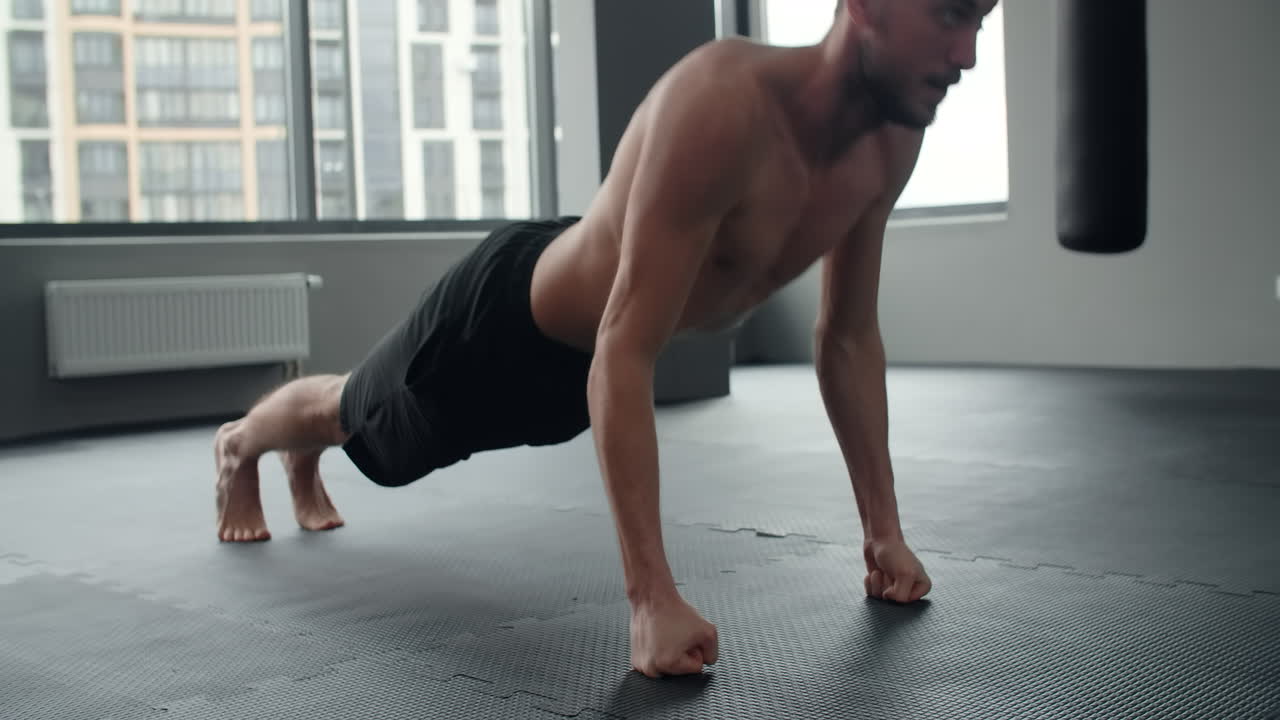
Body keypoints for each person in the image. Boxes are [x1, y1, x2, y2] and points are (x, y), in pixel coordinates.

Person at [214, 0, 996, 679]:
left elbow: (850, 336)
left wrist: (884, 536)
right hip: (497, 333)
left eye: (981, 22)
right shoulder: (723, 104)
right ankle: (243, 447)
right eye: (951, 14)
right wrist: (651, 600)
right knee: (349, 413)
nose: (967, 55)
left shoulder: (890, 142)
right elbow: (624, 344)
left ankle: (300, 455)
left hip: (584, 362)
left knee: (357, 422)